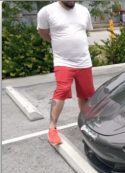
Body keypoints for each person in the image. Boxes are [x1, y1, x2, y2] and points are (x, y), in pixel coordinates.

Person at [37, 1, 95, 145]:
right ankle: (52, 129)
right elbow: (43, 32)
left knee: (86, 95)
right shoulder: (47, 11)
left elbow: (86, 31)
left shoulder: (83, 11)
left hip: (84, 61)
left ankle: (86, 125)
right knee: (62, 90)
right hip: (63, 61)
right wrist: (57, 42)